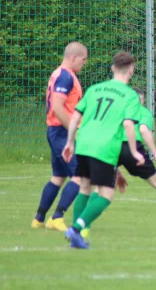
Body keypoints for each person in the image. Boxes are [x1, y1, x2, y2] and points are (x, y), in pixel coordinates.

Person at [61, 51, 156, 249]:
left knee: (85, 187)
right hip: (105, 146)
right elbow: (129, 124)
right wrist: (135, 152)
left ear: (112, 68)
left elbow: (75, 117)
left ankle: (77, 236)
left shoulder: (95, 89)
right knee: (106, 195)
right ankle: (76, 229)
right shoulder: (130, 95)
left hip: (83, 143)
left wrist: (69, 142)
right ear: (132, 70)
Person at [76, 88, 156, 239]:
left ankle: (84, 227)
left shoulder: (118, 111)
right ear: (142, 100)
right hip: (132, 148)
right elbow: (144, 130)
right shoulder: (143, 112)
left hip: (111, 147)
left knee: (100, 189)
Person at [32, 42, 88, 232]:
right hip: (62, 132)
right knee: (80, 175)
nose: (84, 63)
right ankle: (57, 217)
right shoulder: (65, 77)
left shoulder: (59, 74)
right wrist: (73, 132)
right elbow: (57, 106)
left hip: (56, 132)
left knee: (58, 176)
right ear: (73, 57)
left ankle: (39, 218)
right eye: (83, 59)